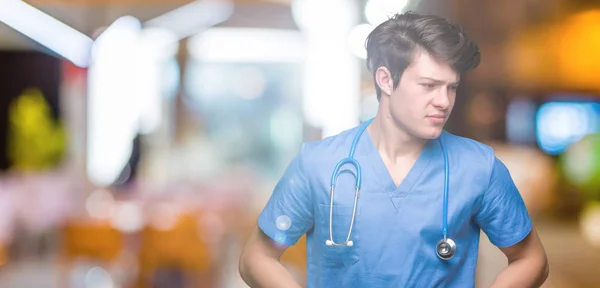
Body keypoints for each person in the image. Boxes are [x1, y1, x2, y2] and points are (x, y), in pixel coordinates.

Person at [239, 12, 549, 287]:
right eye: (428, 86)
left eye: (451, 87)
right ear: (386, 80)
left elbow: (530, 259)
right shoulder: (318, 164)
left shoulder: (480, 167)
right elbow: (257, 257)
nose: (444, 101)